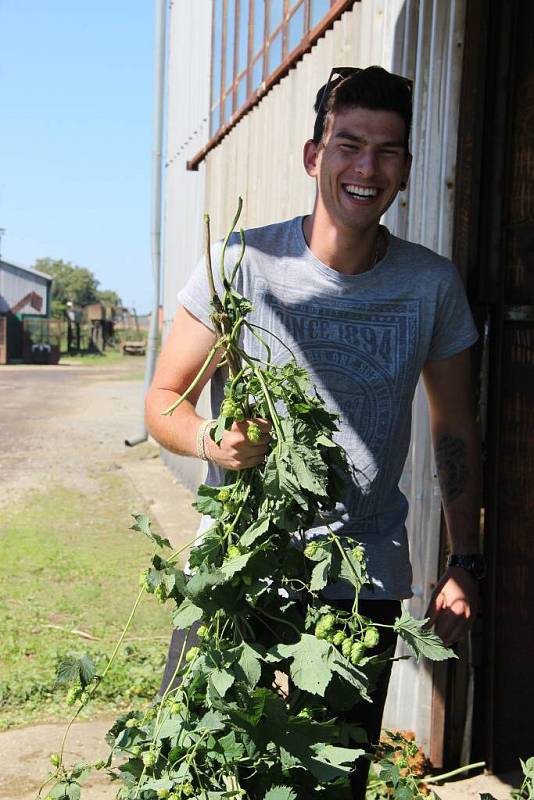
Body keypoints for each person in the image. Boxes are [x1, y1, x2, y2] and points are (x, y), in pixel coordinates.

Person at [146, 66, 483, 799]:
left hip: (359, 584)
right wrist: (212, 442)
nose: (367, 168)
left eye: (387, 151)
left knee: (327, 788)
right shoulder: (240, 263)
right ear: (313, 155)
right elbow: (164, 400)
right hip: (239, 571)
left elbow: (454, 427)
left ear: (407, 170)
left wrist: (467, 561)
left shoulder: (430, 286)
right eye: (348, 144)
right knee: (195, 775)